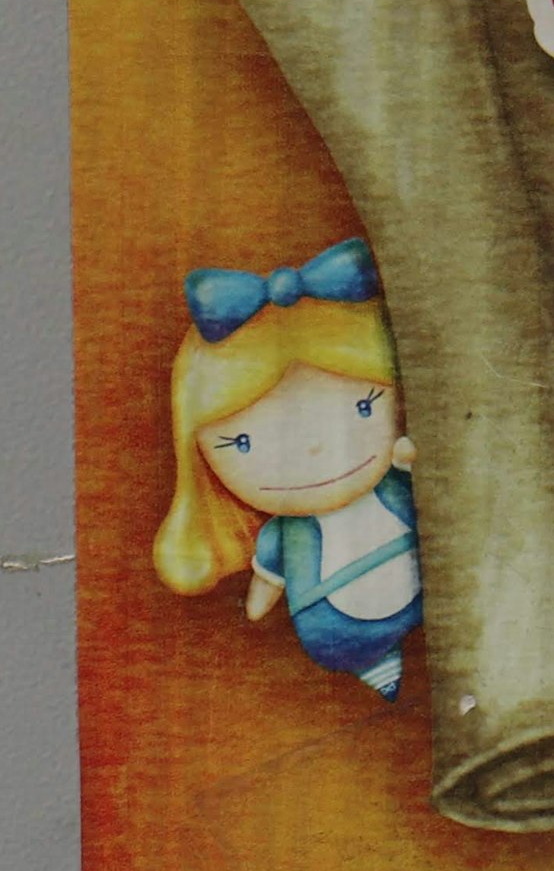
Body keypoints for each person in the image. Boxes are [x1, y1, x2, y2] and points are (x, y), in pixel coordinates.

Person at [151, 238, 423, 700]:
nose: (317, 449)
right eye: (244, 441)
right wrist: (258, 604)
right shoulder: (283, 537)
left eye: (362, 406)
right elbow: (266, 585)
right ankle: (377, 666)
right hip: (340, 636)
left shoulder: (393, 487)